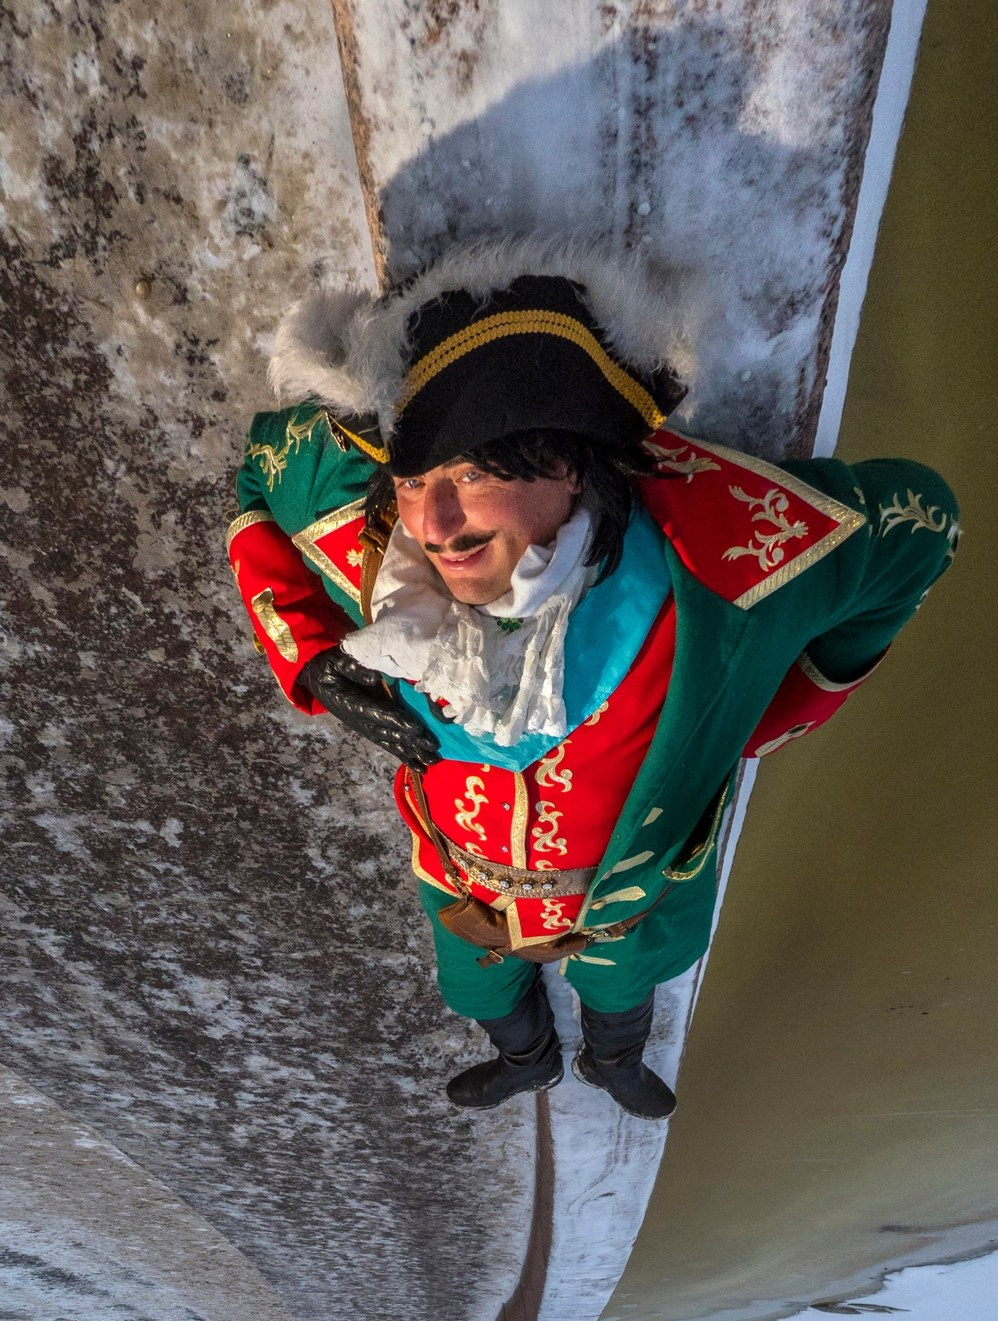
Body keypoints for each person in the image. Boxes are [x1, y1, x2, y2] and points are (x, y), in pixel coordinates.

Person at [226, 241, 958, 1121]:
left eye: (472, 471)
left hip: (637, 896)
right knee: (477, 987)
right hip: (460, 877)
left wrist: (767, 712)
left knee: (624, 983)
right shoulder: (375, 540)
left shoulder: (730, 564)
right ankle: (527, 1060)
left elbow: (923, 526)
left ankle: (613, 1061)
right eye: (413, 475)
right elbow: (261, 478)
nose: (432, 519)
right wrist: (310, 659)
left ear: (569, 464)